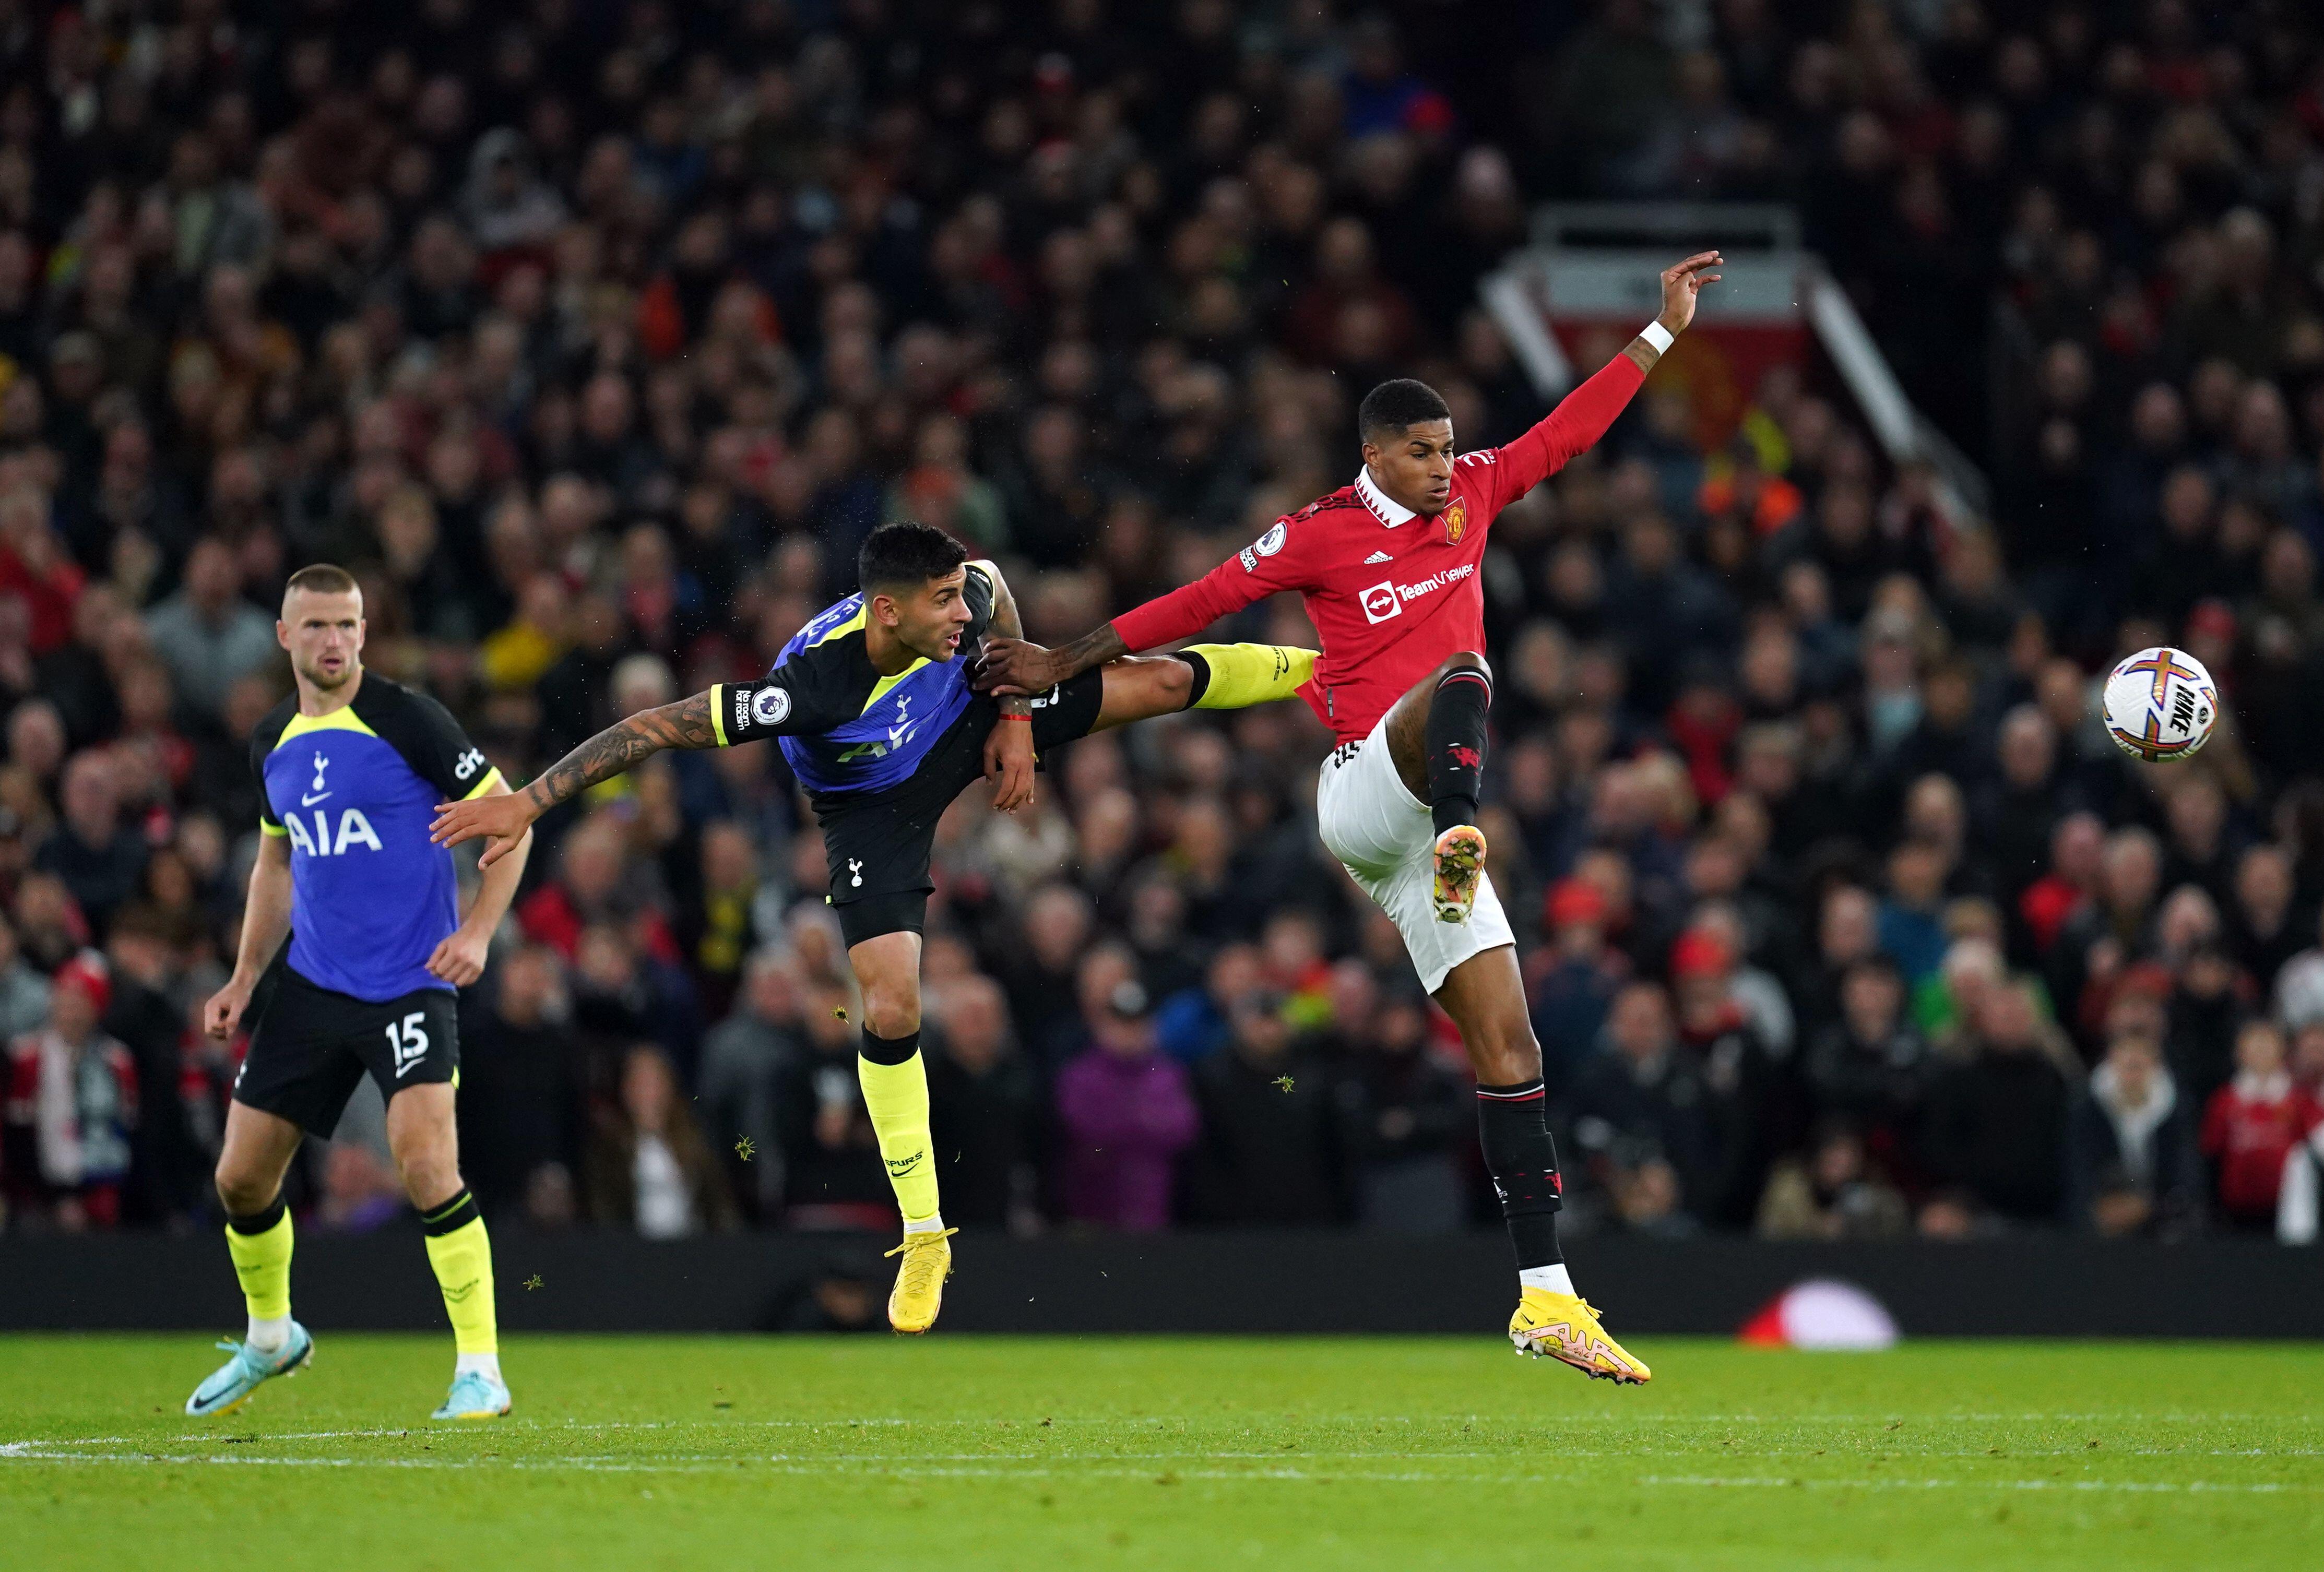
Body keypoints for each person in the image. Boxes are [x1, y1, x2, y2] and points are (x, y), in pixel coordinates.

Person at [978, 253, 1726, 1380]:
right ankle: (1468, 830)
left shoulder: (1475, 491)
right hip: (1369, 794)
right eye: (1422, 453)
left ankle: (1547, 1298)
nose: (1443, 469)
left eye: (1447, 449)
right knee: (1463, 675)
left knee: (1510, 1048)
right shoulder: (1317, 532)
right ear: (1374, 455)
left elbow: (1570, 431)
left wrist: (1662, 331)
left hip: (1423, 839)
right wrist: (1063, 657)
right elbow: (1198, 602)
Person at [431, 521, 1313, 1332]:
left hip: (966, 715)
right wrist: (530, 803)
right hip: (872, 807)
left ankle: (1333, 672)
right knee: (891, 1005)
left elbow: (995, 586)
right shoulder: (811, 684)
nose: (958, 612)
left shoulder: (958, 612)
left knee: (1161, 681)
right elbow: (654, 728)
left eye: (956, 596)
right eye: (941, 602)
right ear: (887, 611)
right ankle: (926, 1235)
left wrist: (1011, 715)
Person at [186, 564, 533, 1422]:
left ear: (365, 632)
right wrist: (242, 977)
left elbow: (511, 817)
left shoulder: (408, 719)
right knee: (239, 1181)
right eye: (315, 627)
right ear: (284, 636)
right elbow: (276, 861)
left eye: (347, 625)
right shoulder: (273, 740)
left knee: (425, 1164)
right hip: (312, 985)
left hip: (413, 981)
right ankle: (272, 1337)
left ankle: (481, 1370)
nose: (333, 641)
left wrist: (480, 932)